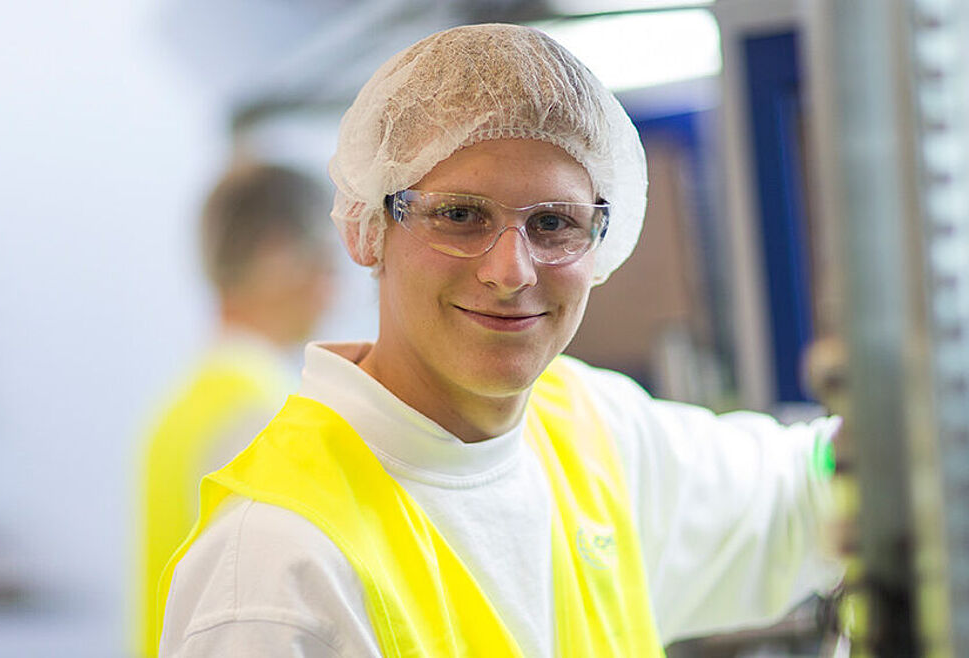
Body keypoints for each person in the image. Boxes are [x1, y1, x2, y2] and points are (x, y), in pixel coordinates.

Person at [150, 23, 841, 657]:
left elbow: (807, 490)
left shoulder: (591, 433)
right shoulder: (279, 574)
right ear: (368, 229)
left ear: (603, 242)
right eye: (458, 215)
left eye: (554, 223)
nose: (511, 270)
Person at [134, 161, 337, 656]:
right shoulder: (267, 417)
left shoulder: (179, 409)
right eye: (327, 259)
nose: (336, 285)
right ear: (280, 256)